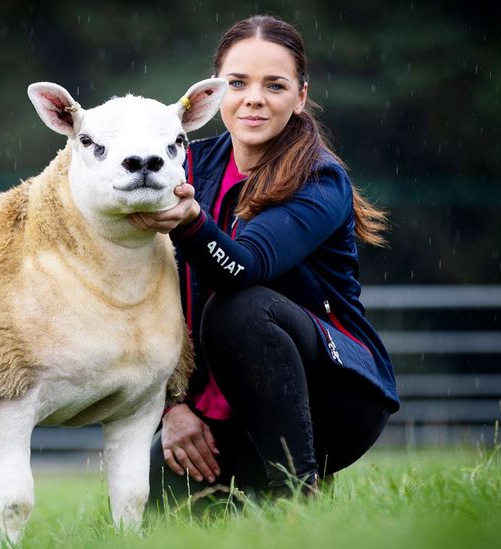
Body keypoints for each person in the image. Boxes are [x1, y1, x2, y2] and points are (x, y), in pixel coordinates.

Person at [127, 14, 399, 506]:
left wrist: (191, 223)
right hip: (217, 404)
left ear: (299, 97)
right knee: (160, 511)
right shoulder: (184, 163)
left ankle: (299, 494)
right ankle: (251, 480)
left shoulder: (321, 180)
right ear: (213, 94)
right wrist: (173, 407)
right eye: (238, 83)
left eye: (274, 85)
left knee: (241, 307)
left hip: (335, 397)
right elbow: (140, 290)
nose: (254, 98)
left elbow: (244, 268)